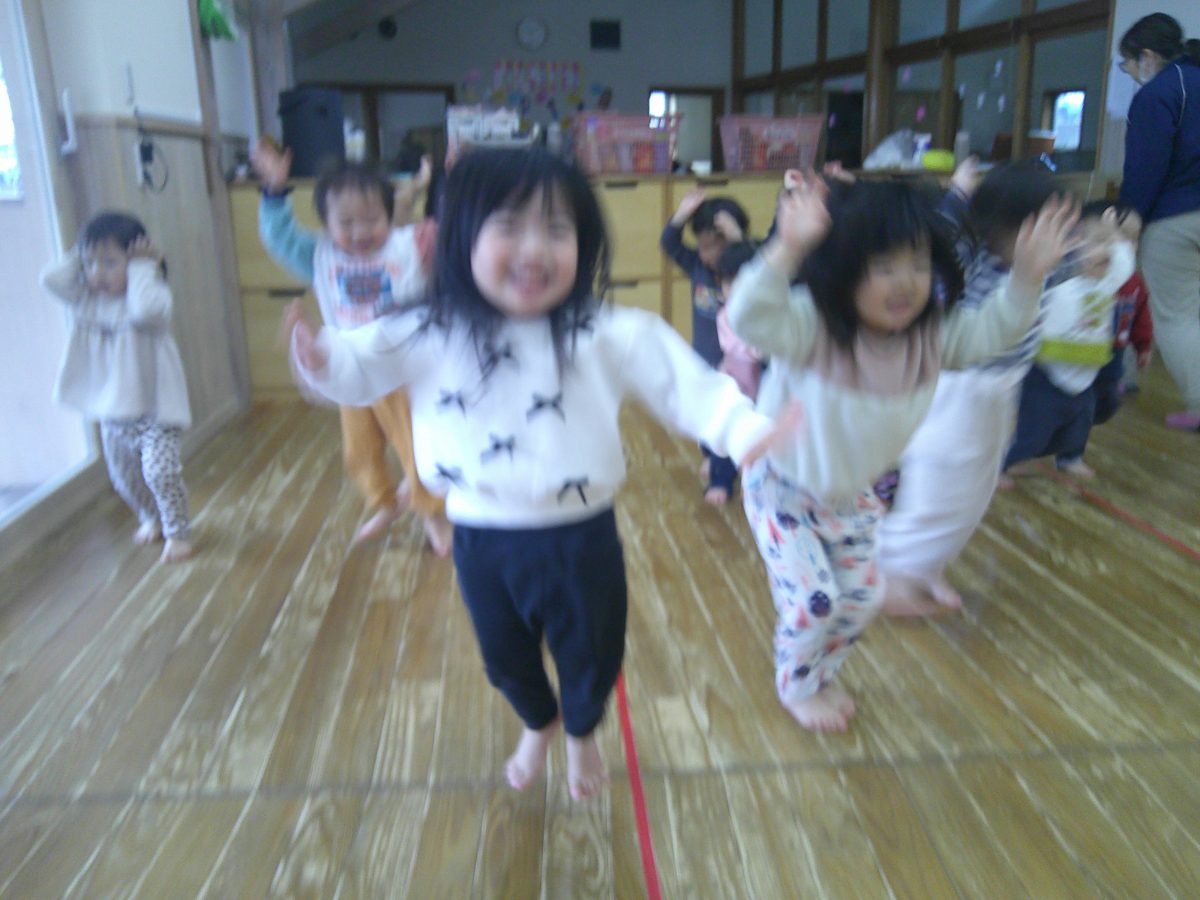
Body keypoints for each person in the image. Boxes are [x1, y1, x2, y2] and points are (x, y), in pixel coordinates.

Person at [285, 147, 786, 799]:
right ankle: (539, 722)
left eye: (556, 229)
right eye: (509, 227)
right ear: (461, 239)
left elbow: (690, 388)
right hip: (480, 535)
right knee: (504, 659)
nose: (535, 249)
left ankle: (579, 733)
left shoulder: (605, 331)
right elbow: (357, 364)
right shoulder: (426, 330)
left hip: (582, 535)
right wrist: (320, 357)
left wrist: (746, 432)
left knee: (593, 653)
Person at [726, 172, 1076, 732]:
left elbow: (995, 333)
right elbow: (748, 315)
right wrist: (787, 249)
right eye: (883, 266)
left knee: (862, 599)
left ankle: (818, 674)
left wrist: (1027, 279)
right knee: (815, 601)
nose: (904, 282)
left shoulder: (931, 337)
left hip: (849, 498)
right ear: (845, 267)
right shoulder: (812, 324)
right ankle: (797, 687)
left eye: (916, 264)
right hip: (781, 489)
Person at [876, 161, 1062, 617]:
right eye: (1045, 226)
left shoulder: (1040, 263)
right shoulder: (974, 257)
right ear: (1012, 228)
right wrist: (958, 193)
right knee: (939, 488)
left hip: (997, 389)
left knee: (971, 494)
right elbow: (939, 233)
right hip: (961, 388)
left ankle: (923, 568)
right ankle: (890, 575)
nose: (1056, 239)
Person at [251, 139, 453, 553]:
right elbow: (279, 237)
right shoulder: (320, 255)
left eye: (371, 219)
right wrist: (274, 193)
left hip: (398, 370)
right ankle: (384, 501)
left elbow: (451, 236)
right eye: (345, 223)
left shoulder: (407, 246)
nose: (360, 232)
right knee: (359, 452)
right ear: (326, 223)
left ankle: (432, 513)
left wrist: (451, 185)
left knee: (414, 446)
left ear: (389, 215)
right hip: (350, 370)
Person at [41, 212, 194, 563]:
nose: (98, 273)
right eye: (91, 263)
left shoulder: (151, 294)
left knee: (160, 472)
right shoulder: (86, 298)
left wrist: (141, 268)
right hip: (113, 415)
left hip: (156, 413)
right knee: (125, 479)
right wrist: (82, 252)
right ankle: (152, 517)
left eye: (110, 263)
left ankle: (177, 531)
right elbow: (49, 280)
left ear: (138, 261)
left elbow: (145, 312)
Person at [1001, 202, 1136, 480]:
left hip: (1086, 373)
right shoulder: (1058, 281)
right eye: (1097, 242)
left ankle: (1070, 457)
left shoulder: (1106, 285)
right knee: (1035, 428)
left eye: (1109, 244)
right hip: (1046, 373)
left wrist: (1114, 234)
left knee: (1080, 422)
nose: (1107, 250)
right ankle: (1006, 463)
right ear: (1073, 247)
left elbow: (1125, 263)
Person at [1117, 13, 1200, 432]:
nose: (1130, 72)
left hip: (1177, 218)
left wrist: (1128, 219)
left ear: (1147, 56)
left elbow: (1145, 169)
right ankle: (1125, 375)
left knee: (1176, 317)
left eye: (1128, 63)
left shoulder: (1158, 94)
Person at [661, 189, 751, 498]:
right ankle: (712, 457)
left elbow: (759, 261)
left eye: (712, 246)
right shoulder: (698, 267)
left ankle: (721, 480)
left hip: (737, 366)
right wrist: (682, 215)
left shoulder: (744, 271)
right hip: (703, 359)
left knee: (725, 418)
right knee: (704, 418)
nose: (703, 254)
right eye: (700, 245)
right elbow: (669, 244)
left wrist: (738, 240)